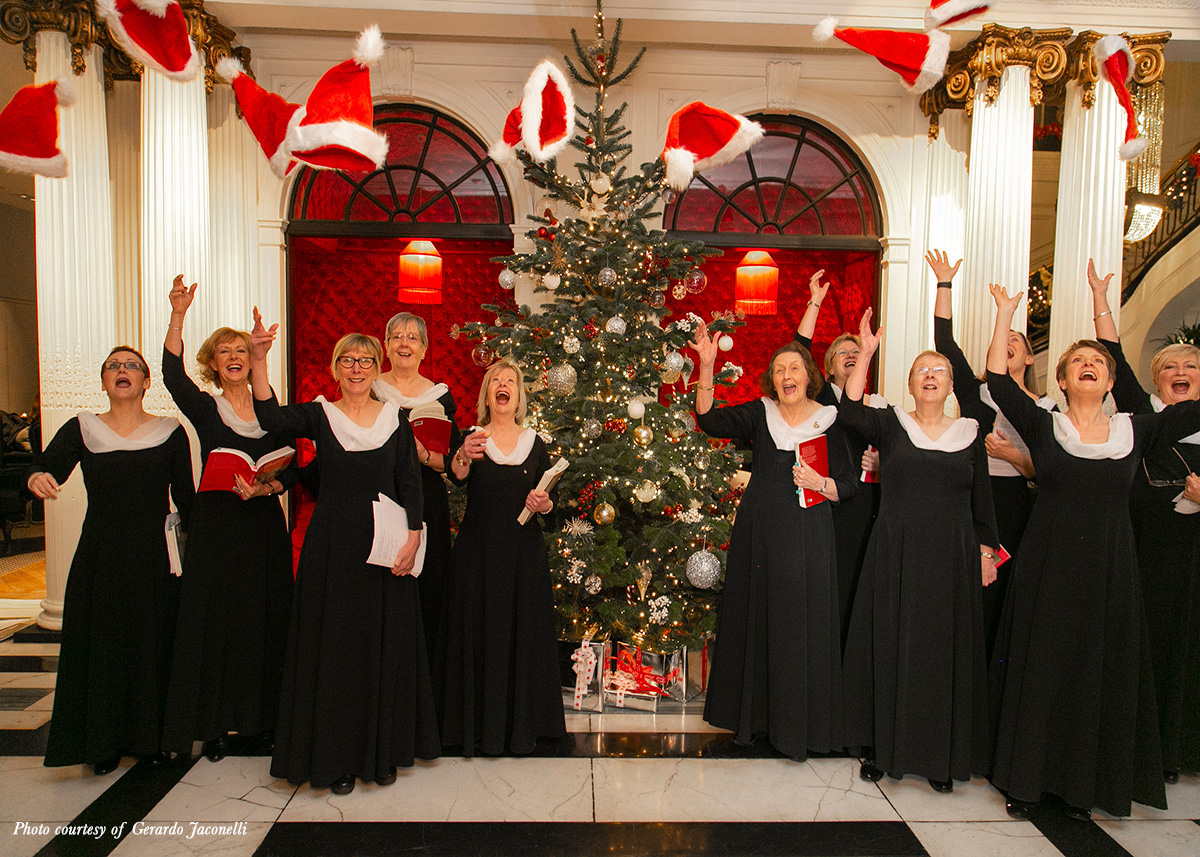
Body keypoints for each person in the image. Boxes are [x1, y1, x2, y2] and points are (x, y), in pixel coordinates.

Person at [986, 284, 1200, 820]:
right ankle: (1027, 781)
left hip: (1110, 570)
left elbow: (1193, 405)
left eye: (1097, 362)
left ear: (1109, 382)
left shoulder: (1138, 429)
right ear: (1061, 380)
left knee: (1094, 671)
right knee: (1043, 667)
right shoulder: (1043, 423)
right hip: (1048, 565)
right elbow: (995, 381)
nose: (1088, 365)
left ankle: (1084, 786)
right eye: (1077, 361)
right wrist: (1005, 315)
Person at [250, 317, 438, 795]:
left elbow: (410, 483)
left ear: (377, 368)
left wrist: (414, 535)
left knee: (381, 647)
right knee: (334, 653)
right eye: (348, 360)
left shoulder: (395, 417)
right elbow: (271, 419)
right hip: (331, 549)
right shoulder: (319, 414)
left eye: (366, 360)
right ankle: (333, 760)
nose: (357, 368)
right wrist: (258, 359)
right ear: (335, 368)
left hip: (384, 548)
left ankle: (382, 752)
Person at [839, 309, 997, 793]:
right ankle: (878, 749)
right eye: (922, 370)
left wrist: (987, 551)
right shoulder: (890, 424)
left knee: (939, 653)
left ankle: (938, 756)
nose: (930, 375)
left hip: (951, 556)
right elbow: (848, 410)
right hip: (896, 551)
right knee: (888, 644)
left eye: (939, 370)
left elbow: (982, 500)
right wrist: (865, 353)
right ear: (910, 383)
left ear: (951, 386)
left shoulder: (971, 433)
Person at [28, 347, 194, 775]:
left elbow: (188, 499)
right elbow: (47, 466)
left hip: (156, 556)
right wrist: (36, 476)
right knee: (101, 645)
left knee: (151, 642)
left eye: (132, 366)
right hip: (100, 554)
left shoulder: (170, 430)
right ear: (104, 381)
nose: (123, 371)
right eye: (114, 366)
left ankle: (150, 739)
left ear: (146, 383)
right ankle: (101, 743)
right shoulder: (83, 428)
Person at [691, 323, 853, 759]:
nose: (786, 375)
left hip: (809, 538)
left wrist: (821, 482)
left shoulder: (831, 421)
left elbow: (849, 485)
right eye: (779, 369)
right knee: (760, 620)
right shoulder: (760, 413)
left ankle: (800, 726)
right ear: (772, 379)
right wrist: (706, 366)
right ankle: (755, 722)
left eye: (794, 367)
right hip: (759, 535)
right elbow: (708, 420)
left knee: (800, 625)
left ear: (808, 376)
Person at [160, 276, 297, 763]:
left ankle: (262, 723)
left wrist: (269, 485)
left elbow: (294, 466)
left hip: (262, 526)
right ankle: (216, 726)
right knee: (219, 624)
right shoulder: (206, 406)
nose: (234, 356)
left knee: (264, 620)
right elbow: (172, 376)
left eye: (241, 348)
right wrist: (178, 314)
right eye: (225, 351)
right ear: (214, 364)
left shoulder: (270, 407)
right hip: (218, 525)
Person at [1088, 260, 1200, 784]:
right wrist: (1100, 299)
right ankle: (1149, 751)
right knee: (1150, 645)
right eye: (1170, 370)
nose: (1179, 376)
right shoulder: (1144, 415)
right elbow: (1112, 357)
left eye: (1190, 370)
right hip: (1151, 549)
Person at [928, 249, 1054, 659]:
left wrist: (1015, 457)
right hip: (973, 503)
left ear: (1030, 356)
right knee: (969, 592)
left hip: (1019, 505)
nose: (1007, 345)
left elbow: (1053, 472)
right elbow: (944, 341)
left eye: (1016, 341)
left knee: (1010, 594)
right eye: (1003, 341)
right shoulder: (976, 393)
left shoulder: (1046, 409)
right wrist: (944, 282)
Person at [441, 358, 566, 755]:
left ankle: (521, 731)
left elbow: (555, 508)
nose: (503, 384)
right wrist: (462, 454)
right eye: (495, 379)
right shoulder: (472, 439)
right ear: (487, 394)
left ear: (518, 395)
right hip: (477, 558)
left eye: (510, 380)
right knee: (479, 636)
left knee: (521, 636)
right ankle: (479, 731)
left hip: (523, 560)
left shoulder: (535, 444)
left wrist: (545, 503)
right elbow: (456, 476)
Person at [793, 269, 883, 645]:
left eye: (855, 351)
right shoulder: (822, 399)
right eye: (841, 353)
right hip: (827, 504)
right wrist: (815, 302)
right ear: (828, 367)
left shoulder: (877, 407)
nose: (849, 355)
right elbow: (799, 350)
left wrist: (883, 464)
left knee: (861, 587)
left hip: (869, 507)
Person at [373, 312, 462, 663]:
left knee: (428, 589)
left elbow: (454, 465)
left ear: (425, 349)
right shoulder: (369, 387)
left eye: (412, 338)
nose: (404, 343)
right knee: (384, 588)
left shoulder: (440, 397)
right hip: (383, 497)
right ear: (385, 347)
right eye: (396, 336)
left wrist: (425, 455)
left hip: (427, 501)